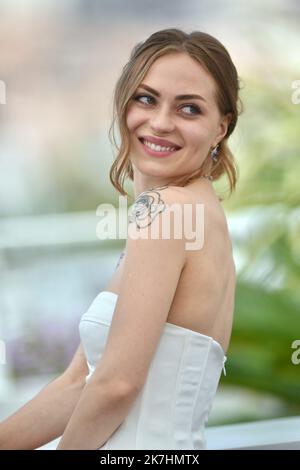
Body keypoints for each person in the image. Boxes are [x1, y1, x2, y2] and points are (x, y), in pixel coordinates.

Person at [0, 28, 241, 450]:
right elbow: (80, 382)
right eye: (146, 99)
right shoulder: (201, 212)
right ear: (124, 103)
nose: (161, 122)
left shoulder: (166, 210)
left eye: (189, 109)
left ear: (221, 127)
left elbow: (118, 384)